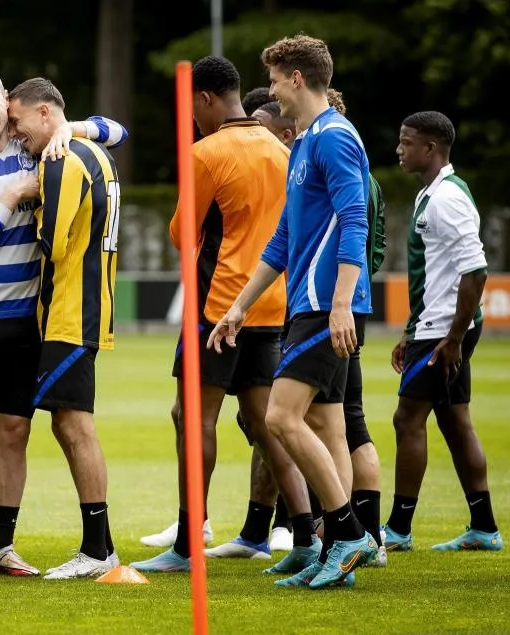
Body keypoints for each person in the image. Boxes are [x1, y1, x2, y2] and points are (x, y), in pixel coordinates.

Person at [0, 68, 128, 578]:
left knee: (16, 433)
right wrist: (11, 197)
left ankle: (3, 547)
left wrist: (72, 128)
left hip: (28, 321)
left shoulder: (39, 148)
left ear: (7, 101)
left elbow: (118, 132)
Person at [207, 34, 378, 589]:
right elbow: (283, 239)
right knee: (326, 425)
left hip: (325, 305)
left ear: (297, 78)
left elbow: (356, 222)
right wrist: (238, 308)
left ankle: (348, 537)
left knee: (280, 418)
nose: (273, 89)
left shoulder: (335, 138)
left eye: (277, 79)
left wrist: (342, 303)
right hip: (304, 302)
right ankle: (333, 549)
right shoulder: (302, 142)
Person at [129, 56, 312, 573]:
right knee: (265, 423)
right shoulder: (279, 149)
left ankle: (189, 542)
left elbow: (181, 234)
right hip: (272, 304)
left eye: (192, 107)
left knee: (194, 417)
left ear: (205, 98)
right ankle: (303, 536)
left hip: (219, 309)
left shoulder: (206, 153)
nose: (190, 117)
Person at [5, 77, 121, 580]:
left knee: (74, 424)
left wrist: (19, 199)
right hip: (90, 305)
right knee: (67, 423)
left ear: (46, 113)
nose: (14, 132)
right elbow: (118, 129)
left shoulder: (59, 161)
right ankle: (101, 546)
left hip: (71, 311)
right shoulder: (94, 150)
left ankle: (98, 551)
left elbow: (50, 245)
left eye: (17, 120)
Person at [382, 111, 502, 553]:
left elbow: (475, 271)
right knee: (454, 421)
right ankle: (484, 527)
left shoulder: (446, 198)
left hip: (442, 334)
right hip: (432, 329)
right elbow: (440, 274)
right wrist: (410, 332)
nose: (399, 149)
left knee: (406, 419)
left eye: (406, 141)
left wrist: (451, 338)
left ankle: (397, 529)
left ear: (429, 149)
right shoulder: (431, 193)